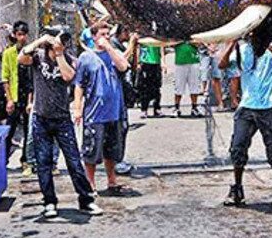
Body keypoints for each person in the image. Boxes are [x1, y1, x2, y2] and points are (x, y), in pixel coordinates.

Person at [18, 32, 97, 218]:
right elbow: (22, 58)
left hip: (62, 119)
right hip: (40, 118)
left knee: (74, 162)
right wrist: (41, 40)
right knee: (43, 163)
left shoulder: (69, 59)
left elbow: (69, 76)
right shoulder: (38, 56)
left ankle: (86, 200)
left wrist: (60, 54)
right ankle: (49, 202)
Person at [217, 36, 272, 208]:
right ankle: (237, 188)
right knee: (237, 147)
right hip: (247, 106)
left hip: (271, 106)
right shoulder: (243, 48)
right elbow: (222, 65)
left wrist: (262, 39)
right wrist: (232, 43)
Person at [73, 19, 132, 199]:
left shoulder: (113, 54)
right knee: (91, 152)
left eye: (108, 34)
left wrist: (109, 48)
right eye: (102, 35)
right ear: (93, 37)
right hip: (94, 113)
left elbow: (123, 66)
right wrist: (77, 108)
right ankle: (90, 184)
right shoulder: (86, 57)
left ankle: (111, 180)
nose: (105, 38)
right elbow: (79, 85)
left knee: (111, 151)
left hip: (114, 111)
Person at [1, 22, 29, 165]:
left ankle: (26, 159)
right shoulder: (8, 53)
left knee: (28, 130)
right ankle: (3, 158)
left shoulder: (32, 51)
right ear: (14, 35)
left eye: (24, 34)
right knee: (10, 128)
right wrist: (9, 99)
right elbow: (5, 77)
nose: (22, 38)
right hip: (15, 94)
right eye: (19, 34)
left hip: (28, 95)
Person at [172, 41, 207, 118]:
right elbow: (172, 43)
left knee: (194, 87)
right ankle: (176, 108)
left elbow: (199, 43)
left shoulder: (193, 32)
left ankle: (194, 108)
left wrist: (193, 42)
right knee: (178, 86)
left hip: (194, 61)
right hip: (180, 61)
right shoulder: (177, 33)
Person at [135, 38, 163, 118]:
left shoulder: (156, 35)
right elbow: (138, 48)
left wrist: (163, 62)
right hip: (145, 62)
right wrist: (138, 63)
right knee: (144, 88)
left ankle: (157, 108)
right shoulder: (142, 36)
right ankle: (144, 109)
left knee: (156, 87)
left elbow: (161, 47)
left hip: (156, 62)